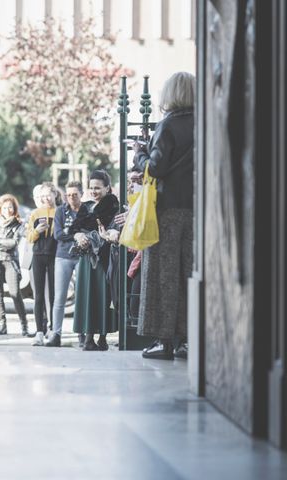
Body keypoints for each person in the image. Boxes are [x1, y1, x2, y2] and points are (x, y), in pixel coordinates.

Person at [130, 71, 195, 360]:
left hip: (167, 210)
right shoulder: (204, 124)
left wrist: (139, 155)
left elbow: (155, 168)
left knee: (162, 275)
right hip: (196, 209)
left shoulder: (168, 125)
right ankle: (187, 339)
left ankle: (163, 340)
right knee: (189, 273)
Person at [71, 170, 120, 351]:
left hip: (104, 258)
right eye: (91, 188)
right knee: (87, 296)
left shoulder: (114, 206)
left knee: (102, 295)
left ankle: (102, 337)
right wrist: (79, 236)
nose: (94, 191)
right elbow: (74, 229)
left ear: (107, 188)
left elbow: (113, 231)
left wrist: (103, 235)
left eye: (98, 188)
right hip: (86, 257)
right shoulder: (86, 206)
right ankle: (88, 336)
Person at [0, 194, 29, 336]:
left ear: (14, 208)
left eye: (10, 207)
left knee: (15, 293)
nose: (7, 210)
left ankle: (24, 326)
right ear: (0, 209)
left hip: (10, 261)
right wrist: (2, 243)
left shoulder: (18, 224)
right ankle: (2, 325)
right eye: (5, 207)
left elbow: (13, 243)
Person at [45, 181, 83, 347]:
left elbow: (88, 231)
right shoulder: (61, 210)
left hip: (81, 256)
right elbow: (58, 234)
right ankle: (56, 334)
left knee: (82, 297)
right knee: (59, 298)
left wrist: (73, 232)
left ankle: (82, 333)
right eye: (68, 195)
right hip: (63, 257)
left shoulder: (86, 210)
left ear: (81, 194)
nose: (71, 198)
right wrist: (76, 234)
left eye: (75, 194)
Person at [26, 182, 58, 346]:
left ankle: (53, 329)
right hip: (38, 255)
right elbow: (29, 237)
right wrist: (37, 231)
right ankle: (39, 331)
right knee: (38, 295)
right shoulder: (35, 213)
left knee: (53, 295)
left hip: (54, 255)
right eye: (43, 195)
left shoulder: (60, 212)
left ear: (55, 195)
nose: (46, 198)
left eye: (49, 194)